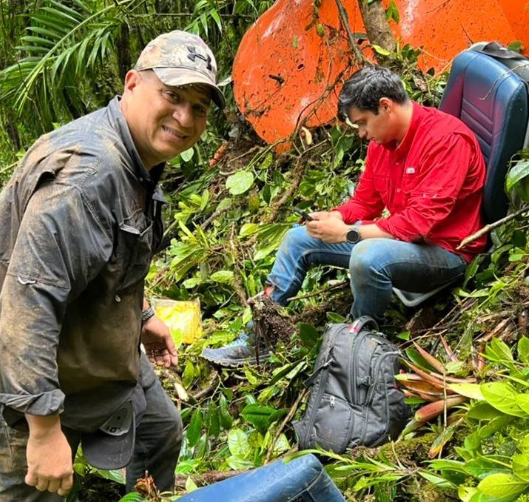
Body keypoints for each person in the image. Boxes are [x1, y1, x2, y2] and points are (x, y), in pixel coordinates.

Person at [0, 30, 225, 500]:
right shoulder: (88, 175)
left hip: (95, 345)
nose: (184, 117)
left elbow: (103, 253)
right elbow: (29, 298)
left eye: (199, 107)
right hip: (29, 368)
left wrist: (145, 316)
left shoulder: (134, 154)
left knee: (159, 432)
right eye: (173, 96)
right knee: (34, 490)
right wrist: (43, 426)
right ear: (133, 83)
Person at [203, 65, 486, 367]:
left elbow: (418, 224)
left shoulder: (446, 140)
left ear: (385, 106)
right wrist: (335, 217)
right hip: (404, 242)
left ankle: (357, 345)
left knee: (367, 256)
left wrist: (349, 233)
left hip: (446, 252)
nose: (362, 134)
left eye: (363, 123)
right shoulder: (382, 143)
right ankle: (255, 340)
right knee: (299, 239)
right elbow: (366, 201)